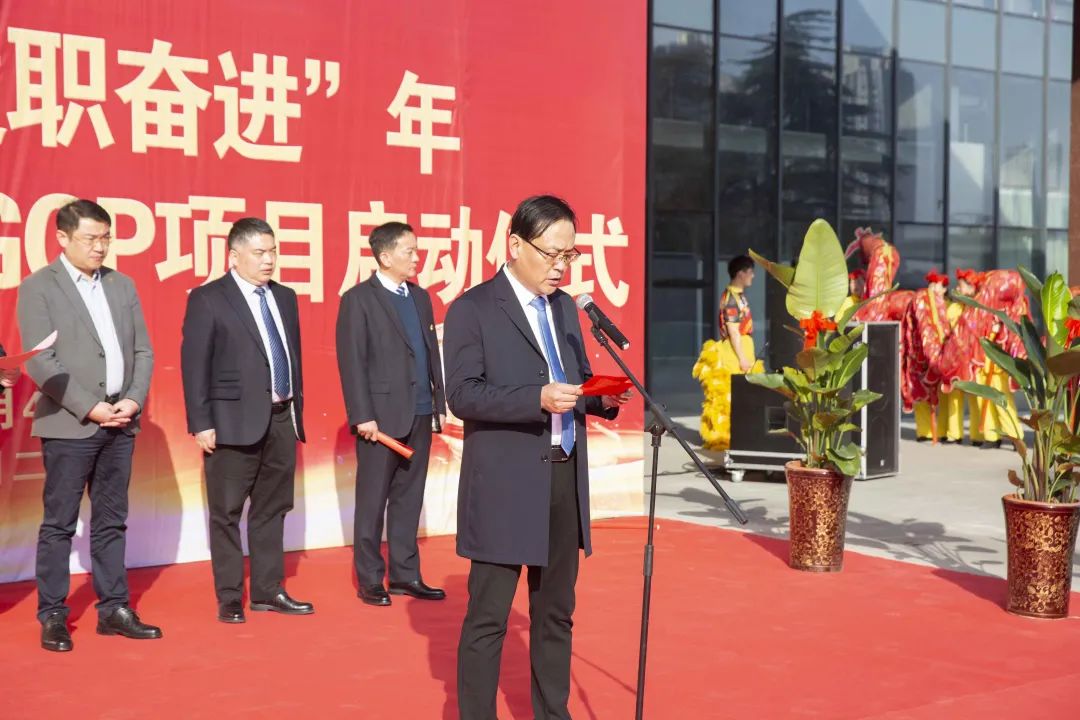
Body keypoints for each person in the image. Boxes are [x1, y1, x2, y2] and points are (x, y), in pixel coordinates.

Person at [444, 195, 631, 719]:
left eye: (569, 255)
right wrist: (536, 399)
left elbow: (575, 381)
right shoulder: (474, 309)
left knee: (556, 614)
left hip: (563, 479)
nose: (560, 266)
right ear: (515, 245)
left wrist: (601, 399)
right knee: (489, 619)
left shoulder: (565, 308)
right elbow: (463, 395)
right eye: (552, 254)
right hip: (505, 485)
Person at [16, 199, 161, 652]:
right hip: (70, 423)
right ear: (62, 237)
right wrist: (90, 407)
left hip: (122, 420)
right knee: (59, 523)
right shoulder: (39, 287)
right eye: (90, 239)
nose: (100, 247)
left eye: (106, 238)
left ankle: (114, 608)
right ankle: (53, 614)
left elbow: (143, 351)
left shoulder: (122, 284)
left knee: (112, 520)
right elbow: (40, 360)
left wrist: (133, 399)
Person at [180, 217, 313, 624]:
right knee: (226, 512)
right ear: (234, 256)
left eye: (273, 251)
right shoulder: (208, 298)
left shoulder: (285, 297)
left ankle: (268, 590)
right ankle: (230, 596)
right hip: (230, 422)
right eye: (259, 253)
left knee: (273, 508)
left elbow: (291, 356)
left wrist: (294, 409)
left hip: (280, 418)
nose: (268, 260)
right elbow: (194, 364)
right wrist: (201, 421)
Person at [336, 222, 447, 606]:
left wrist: (438, 403)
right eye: (409, 251)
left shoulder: (419, 297)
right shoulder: (358, 300)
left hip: (419, 412)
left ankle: (405, 575)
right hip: (380, 419)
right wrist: (362, 415)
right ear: (385, 256)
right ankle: (370, 579)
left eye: (416, 250)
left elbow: (429, 352)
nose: (416, 258)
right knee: (372, 501)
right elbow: (352, 361)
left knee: (409, 498)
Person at [902, 270, 951, 443]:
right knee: (920, 393)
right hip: (919, 355)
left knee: (943, 395)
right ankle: (924, 432)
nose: (933, 288)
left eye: (937, 285)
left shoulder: (949, 307)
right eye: (931, 284)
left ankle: (945, 432)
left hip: (942, 356)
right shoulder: (920, 302)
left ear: (944, 289)